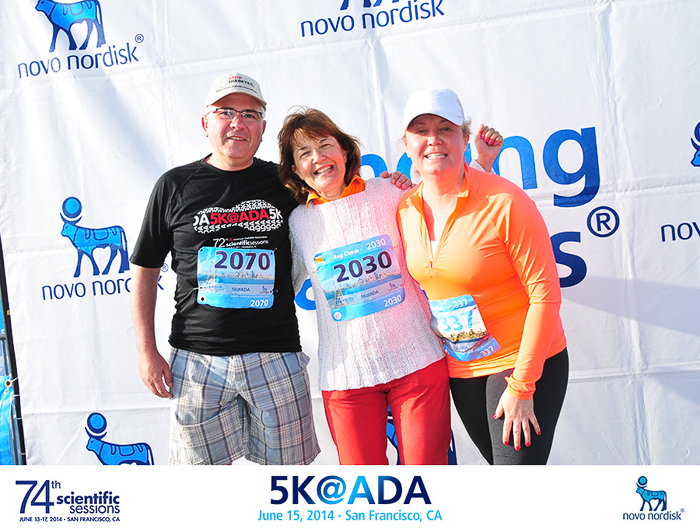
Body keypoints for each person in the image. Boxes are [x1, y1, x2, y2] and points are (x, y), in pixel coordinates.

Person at [130, 73, 410, 465]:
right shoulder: (174, 186)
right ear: (206, 122)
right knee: (199, 488)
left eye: (250, 114)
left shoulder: (284, 182)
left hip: (276, 355)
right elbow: (145, 269)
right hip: (197, 361)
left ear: (262, 128)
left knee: (288, 480)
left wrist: (389, 185)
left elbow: (340, 198)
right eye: (226, 112)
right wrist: (146, 350)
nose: (237, 123)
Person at [277, 107, 502, 464]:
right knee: (366, 491)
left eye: (325, 145)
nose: (317, 158)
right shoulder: (298, 223)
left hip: (417, 364)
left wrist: (483, 164)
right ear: (295, 169)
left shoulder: (390, 193)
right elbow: (282, 288)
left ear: (345, 151)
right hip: (346, 379)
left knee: (426, 479)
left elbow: (451, 212)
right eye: (304, 152)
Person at [397, 88, 569, 465]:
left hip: (520, 361)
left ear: (464, 138)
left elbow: (545, 295)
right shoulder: (404, 207)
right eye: (421, 131)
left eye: (445, 129)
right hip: (463, 369)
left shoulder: (504, 201)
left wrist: (522, 385)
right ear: (406, 144)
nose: (433, 139)